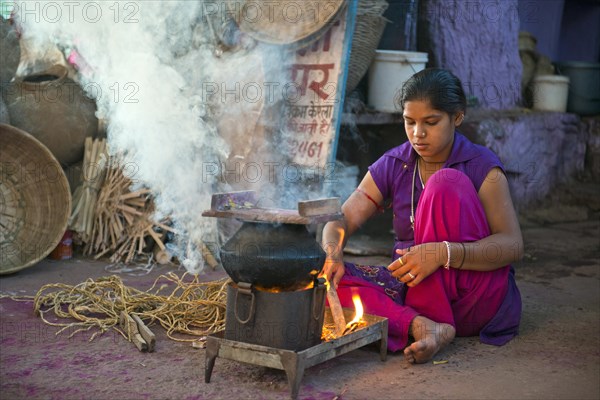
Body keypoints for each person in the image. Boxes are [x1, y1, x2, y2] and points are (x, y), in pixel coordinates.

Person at [322, 68, 523, 364]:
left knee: (445, 183)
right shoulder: (396, 163)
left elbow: (512, 245)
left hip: (474, 297)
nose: (418, 133)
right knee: (321, 278)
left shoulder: (482, 166)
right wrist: (332, 253)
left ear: (457, 117)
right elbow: (340, 219)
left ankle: (414, 322)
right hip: (414, 295)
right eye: (409, 121)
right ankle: (423, 326)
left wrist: (443, 253)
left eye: (431, 122)